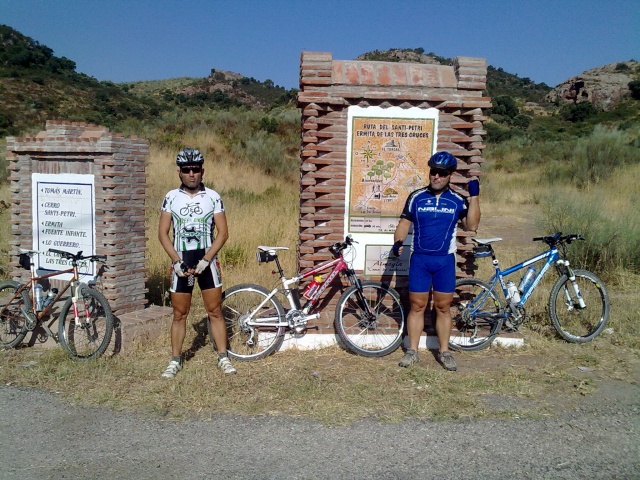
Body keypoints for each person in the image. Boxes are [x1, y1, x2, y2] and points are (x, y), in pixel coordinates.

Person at [392, 151, 480, 371]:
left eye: (442, 173)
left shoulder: (457, 201)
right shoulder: (416, 197)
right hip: (420, 260)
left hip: (444, 262)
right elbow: (404, 223)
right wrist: (398, 241)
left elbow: (472, 226)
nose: (436, 177)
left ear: (450, 175)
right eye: (433, 172)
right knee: (417, 306)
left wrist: (475, 197)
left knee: (443, 308)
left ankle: (444, 352)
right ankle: (412, 351)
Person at [158, 148, 236, 378]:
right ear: (179, 172)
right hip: (181, 260)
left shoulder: (213, 197)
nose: (191, 174)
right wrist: (175, 261)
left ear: (202, 171)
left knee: (215, 311)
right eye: (186, 170)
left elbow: (223, 233)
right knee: (179, 314)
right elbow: (162, 233)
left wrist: (206, 259)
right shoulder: (171, 197)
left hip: (207, 261)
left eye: (195, 169)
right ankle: (175, 360)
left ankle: (223, 357)